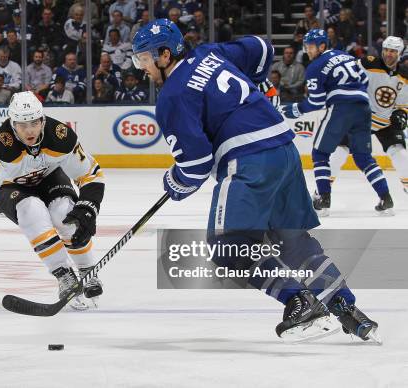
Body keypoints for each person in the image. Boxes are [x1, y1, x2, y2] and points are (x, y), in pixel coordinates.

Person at [132, 19, 380, 342]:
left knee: (227, 245)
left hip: (249, 161)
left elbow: (195, 165)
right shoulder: (211, 53)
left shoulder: (172, 97)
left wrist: (174, 182)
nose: (142, 69)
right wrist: (262, 86)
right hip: (285, 151)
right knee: (293, 241)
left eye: (144, 59)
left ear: (164, 55)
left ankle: (298, 300)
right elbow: (262, 48)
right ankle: (347, 309)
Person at [0, 91, 104, 310]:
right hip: (11, 187)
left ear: (42, 120)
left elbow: (90, 174)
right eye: (22, 124)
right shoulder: (3, 144)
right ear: (12, 123)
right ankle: (63, 274)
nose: (29, 130)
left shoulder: (60, 136)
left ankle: (87, 269)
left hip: (49, 178)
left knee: (65, 214)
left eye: (34, 123)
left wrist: (88, 207)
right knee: (32, 211)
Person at [281, 29, 394, 216]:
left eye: (311, 46)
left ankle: (323, 197)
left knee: (319, 153)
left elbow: (316, 102)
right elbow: (365, 79)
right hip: (364, 107)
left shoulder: (315, 67)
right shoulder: (345, 56)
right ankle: (386, 196)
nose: (308, 50)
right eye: (306, 47)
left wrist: (296, 110)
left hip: (342, 109)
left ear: (322, 46)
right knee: (363, 157)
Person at [327, 36, 408, 194]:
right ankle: (323, 192)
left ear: (400, 53)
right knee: (339, 152)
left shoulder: (405, 75)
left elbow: (403, 103)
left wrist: (402, 114)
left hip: (386, 121)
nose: (388, 54)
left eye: (393, 51)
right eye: (386, 50)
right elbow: (347, 75)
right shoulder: (367, 63)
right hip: (360, 118)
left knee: (401, 153)